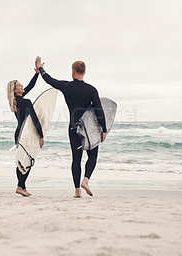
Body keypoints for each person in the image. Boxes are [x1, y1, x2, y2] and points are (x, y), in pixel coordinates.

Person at [35, 56, 107, 198]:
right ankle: (85, 180)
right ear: (84, 72)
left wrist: (40, 68)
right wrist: (104, 129)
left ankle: (77, 191)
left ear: (73, 72)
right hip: (89, 129)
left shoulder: (67, 86)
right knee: (92, 156)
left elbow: (50, 80)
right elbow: (99, 110)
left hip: (74, 128)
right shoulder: (91, 90)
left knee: (76, 158)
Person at [7, 67, 44, 197]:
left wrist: (37, 73)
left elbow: (30, 86)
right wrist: (41, 135)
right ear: (15, 90)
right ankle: (20, 186)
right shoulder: (26, 102)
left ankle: (22, 186)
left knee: (21, 161)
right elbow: (34, 119)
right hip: (27, 134)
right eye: (19, 85)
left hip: (19, 133)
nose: (22, 86)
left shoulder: (17, 101)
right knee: (29, 160)